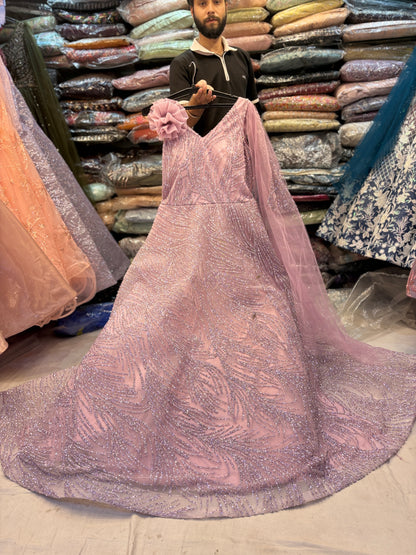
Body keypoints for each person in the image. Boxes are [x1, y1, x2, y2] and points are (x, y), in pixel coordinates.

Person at [169, 0, 259, 136]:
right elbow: (179, 127)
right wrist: (195, 106)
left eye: (217, 2)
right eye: (203, 3)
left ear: (226, 7)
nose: (210, 9)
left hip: (245, 148)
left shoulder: (242, 57)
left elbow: (254, 114)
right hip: (205, 149)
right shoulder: (182, 64)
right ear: (192, 11)